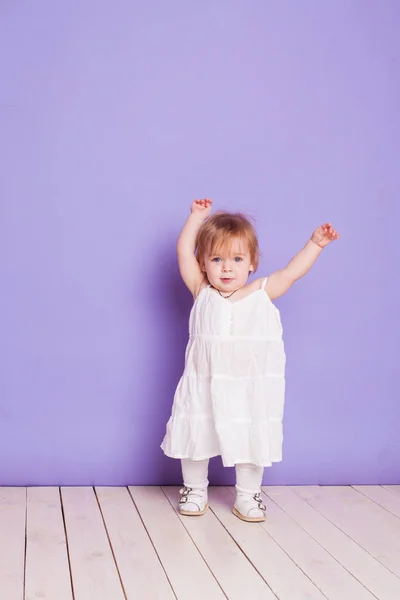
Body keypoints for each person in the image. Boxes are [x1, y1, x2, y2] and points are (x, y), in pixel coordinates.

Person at [161, 199, 339, 522]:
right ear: (203, 263)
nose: (227, 268)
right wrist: (196, 218)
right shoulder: (201, 291)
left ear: (252, 263)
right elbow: (183, 252)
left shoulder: (260, 292)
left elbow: (291, 273)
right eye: (217, 259)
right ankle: (194, 489)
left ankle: (247, 494)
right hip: (204, 381)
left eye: (236, 259)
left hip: (246, 386)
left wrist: (315, 245)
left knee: (249, 436)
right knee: (195, 433)